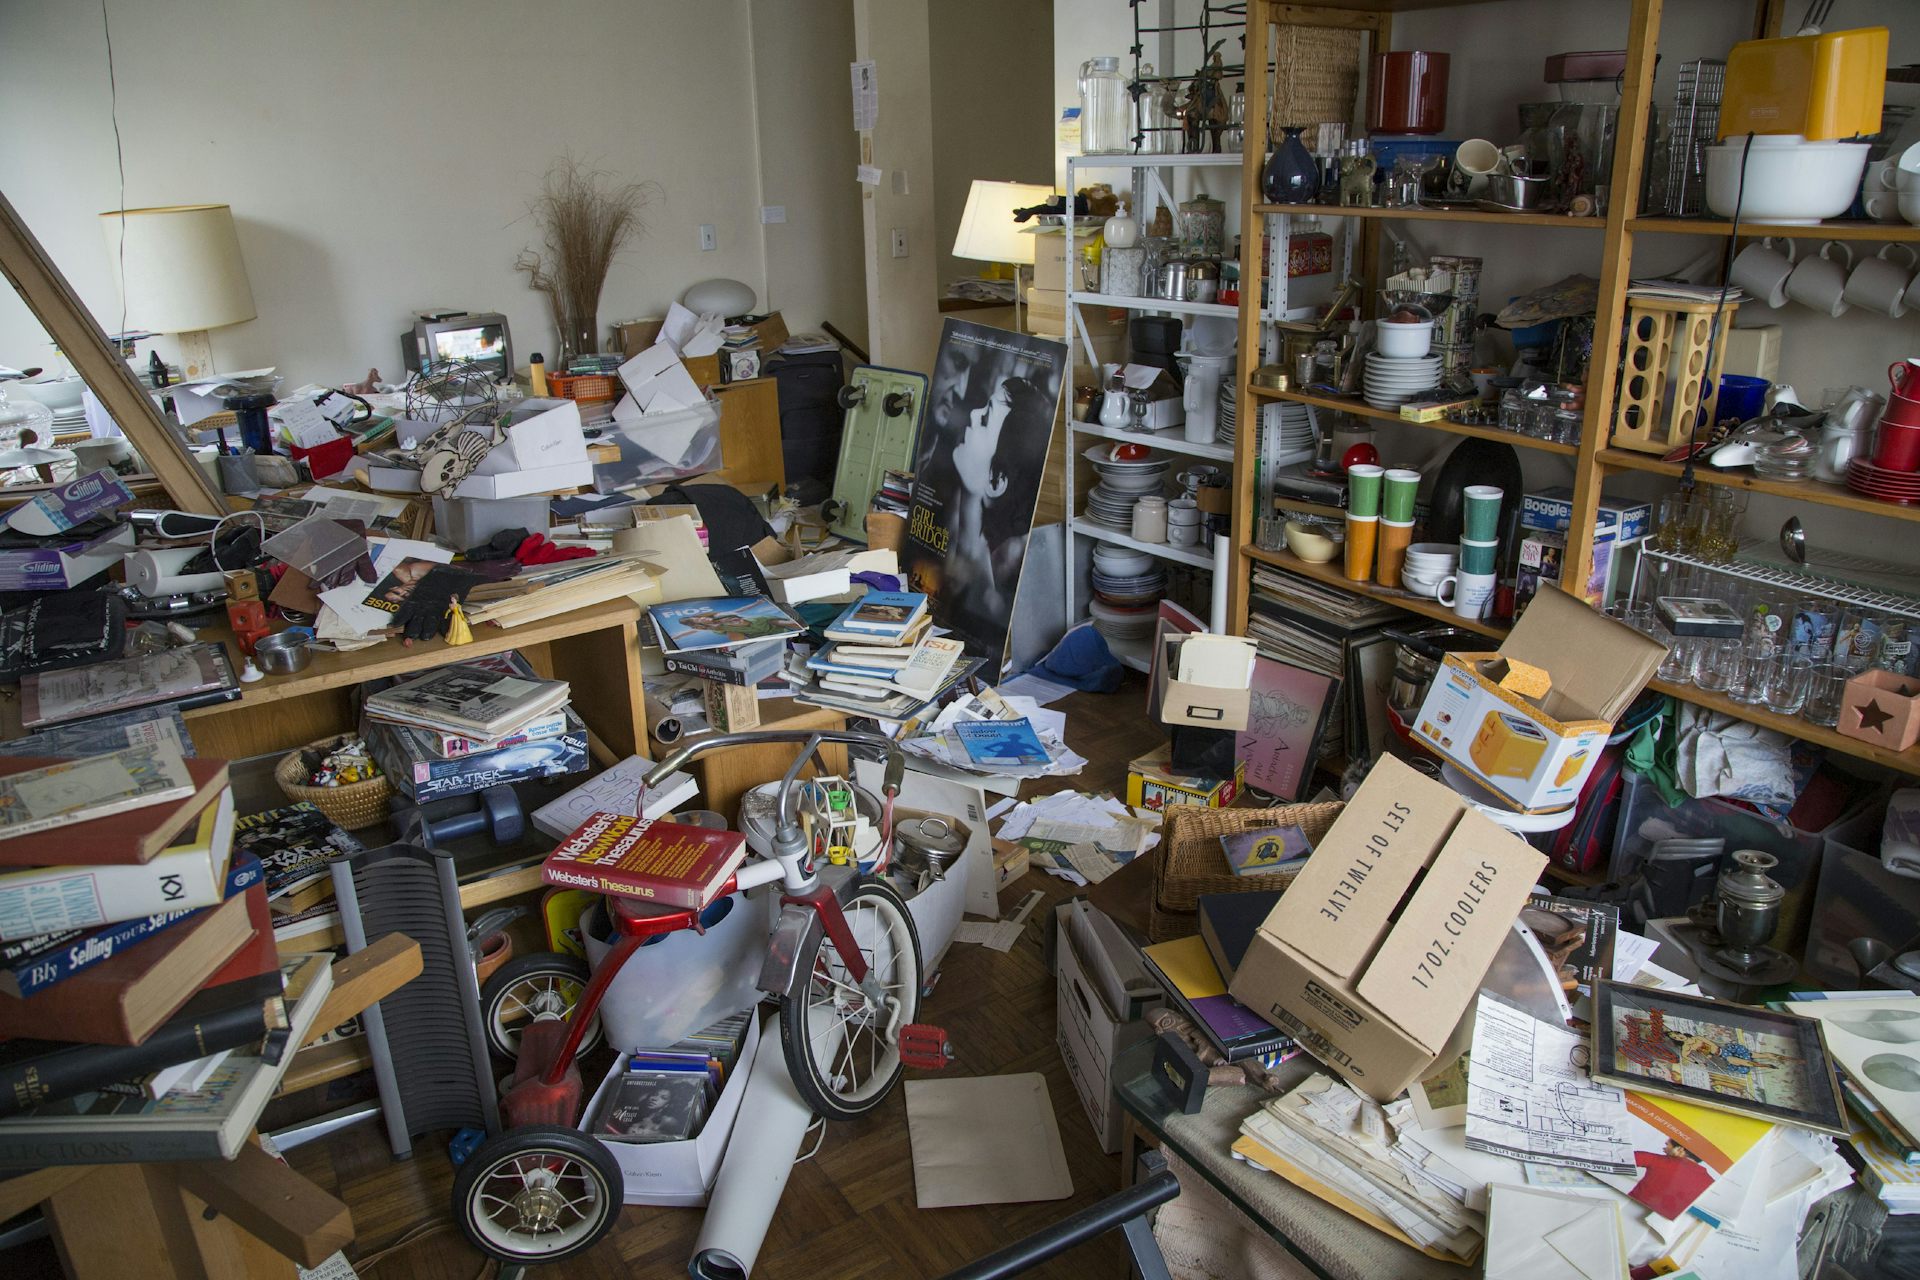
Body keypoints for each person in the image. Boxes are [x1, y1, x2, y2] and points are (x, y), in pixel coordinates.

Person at [940, 375, 1050, 636]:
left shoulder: (988, 598)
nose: (975, 413)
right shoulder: (963, 538)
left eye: (986, 418)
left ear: (996, 480)